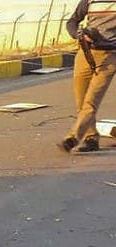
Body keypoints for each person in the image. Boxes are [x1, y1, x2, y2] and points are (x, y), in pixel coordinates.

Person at [59, 0, 116, 153]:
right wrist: (79, 34)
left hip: (109, 57)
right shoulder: (89, 1)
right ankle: (91, 138)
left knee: (91, 102)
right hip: (85, 53)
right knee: (81, 100)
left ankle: (73, 138)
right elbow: (72, 21)